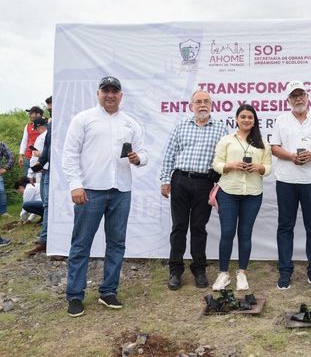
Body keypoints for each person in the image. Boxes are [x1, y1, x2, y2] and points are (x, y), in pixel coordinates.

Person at [62, 76, 147, 317]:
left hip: (121, 191)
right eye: (105, 90)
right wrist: (75, 185)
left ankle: (108, 291)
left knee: (117, 243)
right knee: (81, 244)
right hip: (89, 191)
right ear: (98, 93)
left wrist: (138, 159)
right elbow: (69, 154)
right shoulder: (83, 119)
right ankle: (75, 295)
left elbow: (144, 153)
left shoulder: (131, 123)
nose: (110, 95)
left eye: (115, 91)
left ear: (121, 95)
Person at [160, 90, 228, 290]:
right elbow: (169, 155)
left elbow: (224, 158)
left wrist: (220, 184)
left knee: (199, 227)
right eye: (198, 102)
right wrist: (165, 180)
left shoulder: (221, 130)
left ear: (212, 105)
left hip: (204, 183)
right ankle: (175, 271)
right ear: (191, 106)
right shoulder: (181, 126)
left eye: (206, 101)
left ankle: (199, 269)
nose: (202, 105)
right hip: (180, 180)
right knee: (179, 227)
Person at [270, 80, 311, 292]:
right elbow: (275, 148)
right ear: (288, 100)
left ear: (308, 96)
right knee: (285, 227)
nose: (298, 99)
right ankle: (285, 272)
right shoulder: (281, 120)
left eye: (301, 95)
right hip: (286, 181)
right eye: (293, 95)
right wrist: (291, 157)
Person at [210, 104, 272, 291]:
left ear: (254, 121)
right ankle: (223, 274)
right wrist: (230, 165)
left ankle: (242, 273)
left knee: (245, 234)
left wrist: (259, 168)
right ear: (236, 119)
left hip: (252, 194)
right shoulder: (226, 140)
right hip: (228, 192)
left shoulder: (263, 143)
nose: (246, 120)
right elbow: (216, 164)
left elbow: (268, 168)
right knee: (227, 233)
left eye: (250, 117)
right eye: (243, 117)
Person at [29, 96, 53, 256]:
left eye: (50, 107)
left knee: (49, 205)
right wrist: (40, 163)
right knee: (47, 205)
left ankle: (46, 240)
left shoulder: (56, 125)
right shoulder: (51, 126)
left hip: (54, 170)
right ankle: (45, 239)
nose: (49, 110)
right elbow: (48, 148)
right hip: (46, 169)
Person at [18, 106, 44, 177]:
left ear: (38, 114)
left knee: (39, 178)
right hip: (28, 157)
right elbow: (24, 141)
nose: (29, 115)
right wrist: (20, 155)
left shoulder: (46, 123)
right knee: (28, 179)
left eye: (31, 113)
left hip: (41, 156)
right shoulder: (28, 126)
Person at [0, 141, 15, 217]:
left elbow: (11, 157)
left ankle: (3, 212)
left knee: (1, 190)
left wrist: (5, 168)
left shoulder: (1, 144)